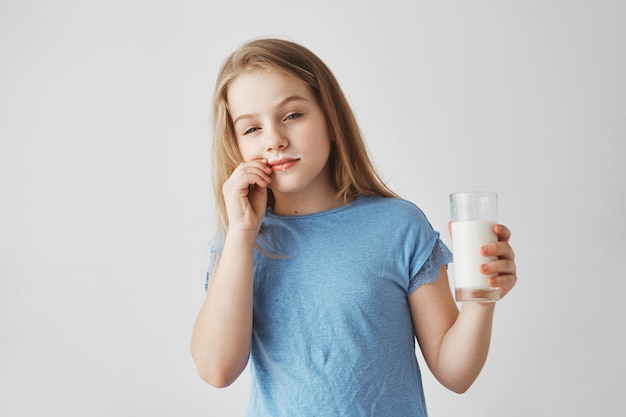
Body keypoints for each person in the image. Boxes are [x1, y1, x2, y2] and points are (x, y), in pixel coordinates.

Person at [191, 37, 517, 416]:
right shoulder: (240, 242)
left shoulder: (398, 226)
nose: (275, 141)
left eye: (292, 115)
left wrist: (481, 300)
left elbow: (455, 373)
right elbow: (217, 370)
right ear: (235, 144)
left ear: (331, 119)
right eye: (251, 129)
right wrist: (241, 235)